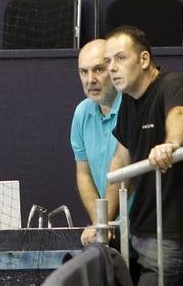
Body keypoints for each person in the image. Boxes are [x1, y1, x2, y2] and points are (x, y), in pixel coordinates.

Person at [105, 25, 183, 286]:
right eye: (108, 61)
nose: (112, 68)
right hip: (141, 232)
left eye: (120, 58)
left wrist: (171, 144)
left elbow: (181, 117)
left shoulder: (174, 84)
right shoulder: (129, 103)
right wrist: (103, 220)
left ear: (144, 60)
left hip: (172, 233)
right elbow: (121, 161)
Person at [71, 38, 127, 246]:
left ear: (114, 69)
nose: (90, 79)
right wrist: (100, 222)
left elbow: (125, 168)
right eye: (83, 72)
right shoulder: (81, 113)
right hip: (109, 232)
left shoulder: (133, 106)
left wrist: (105, 221)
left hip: (146, 231)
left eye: (98, 70)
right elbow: (84, 174)